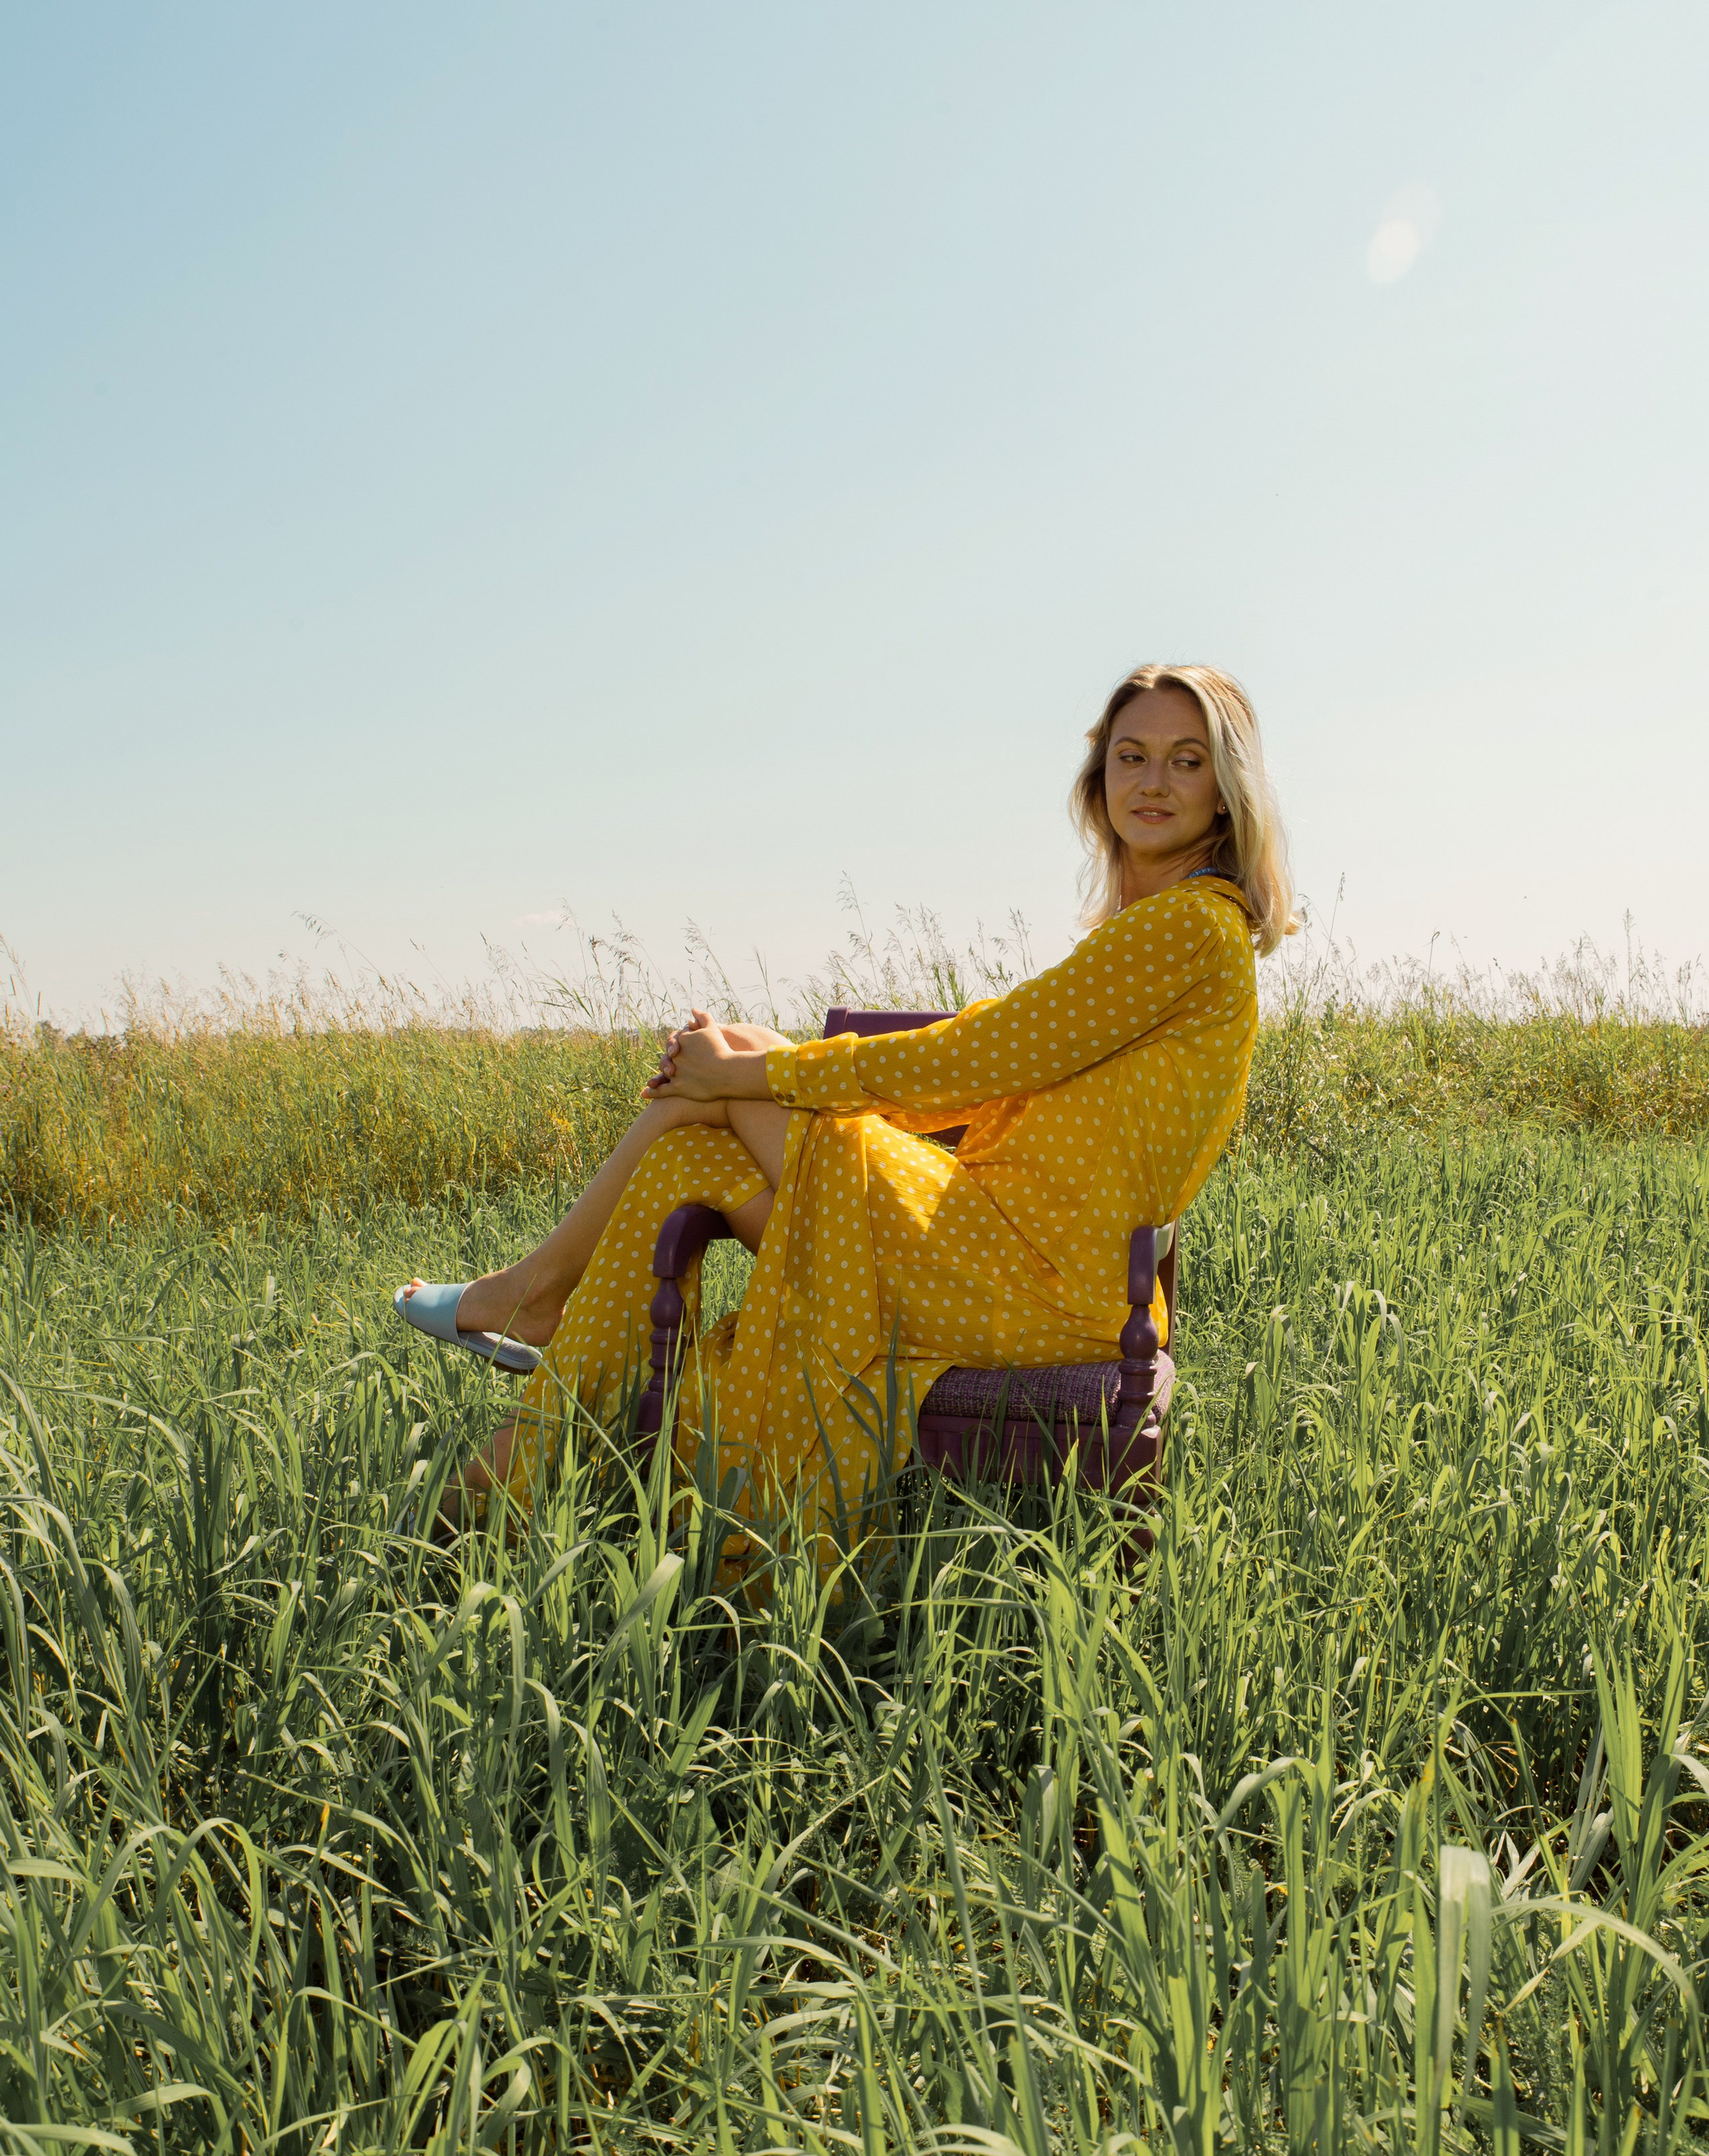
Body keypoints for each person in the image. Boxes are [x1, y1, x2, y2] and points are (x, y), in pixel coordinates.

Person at [399, 664, 1293, 1550]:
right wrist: (750, 1067)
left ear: (1225, 791)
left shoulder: (1186, 926)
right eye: (1132, 756)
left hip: (1031, 1287)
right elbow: (989, 1066)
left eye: (1186, 761)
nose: (1152, 781)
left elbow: (971, 1058)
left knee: (726, 1078)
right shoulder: (1152, 928)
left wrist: (747, 1074)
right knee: (686, 1152)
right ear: (1099, 780)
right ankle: (514, 1430)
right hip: (998, 1251)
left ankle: (526, 1340)